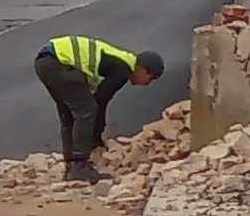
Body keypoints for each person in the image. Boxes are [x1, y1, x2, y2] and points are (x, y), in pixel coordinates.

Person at [34, 33, 168, 182]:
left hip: (45, 62)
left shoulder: (119, 60)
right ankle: (80, 165)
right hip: (58, 63)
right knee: (86, 110)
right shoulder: (123, 69)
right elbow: (100, 100)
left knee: (69, 114)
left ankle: (71, 166)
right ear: (143, 70)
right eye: (150, 79)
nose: (147, 84)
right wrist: (96, 135)